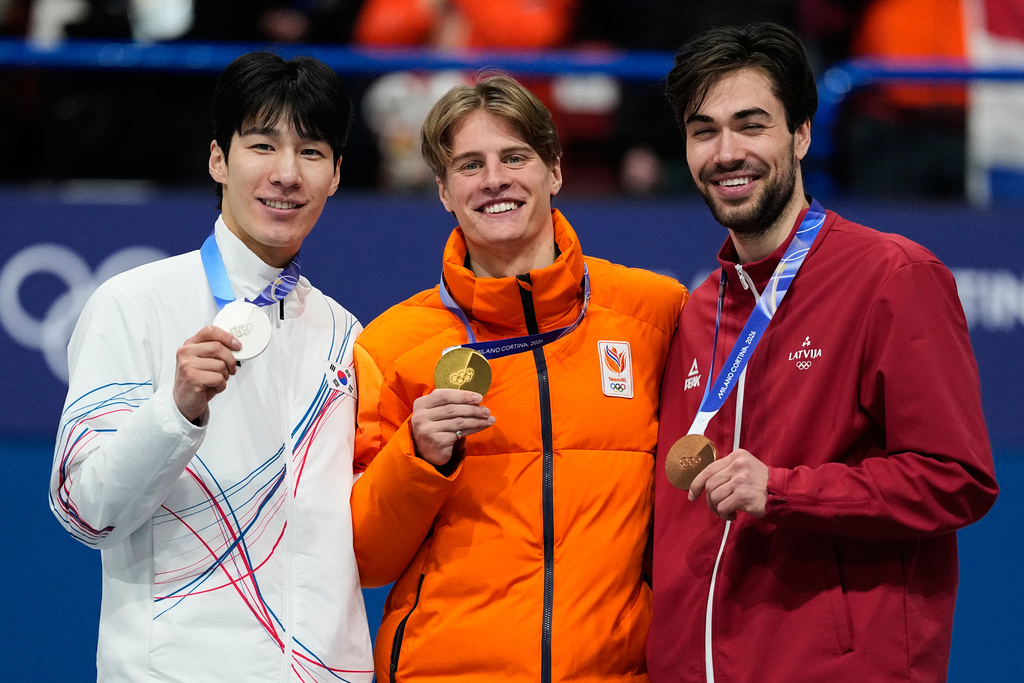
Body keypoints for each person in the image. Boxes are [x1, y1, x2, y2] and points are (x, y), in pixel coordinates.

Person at [649, 22, 998, 683]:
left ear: (802, 134)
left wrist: (782, 489)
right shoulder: (699, 311)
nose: (727, 152)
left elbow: (957, 477)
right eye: (704, 131)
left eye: (751, 125)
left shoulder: (892, 275)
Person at [49, 51, 373, 683]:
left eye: (311, 152)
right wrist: (175, 409)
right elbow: (87, 511)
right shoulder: (134, 303)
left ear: (336, 175)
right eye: (261, 145)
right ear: (218, 159)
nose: (286, 174)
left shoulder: (343, 334)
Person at [350, 73, 686, 681]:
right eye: (469, 165)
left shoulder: (653, 313)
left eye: (514, 157)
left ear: (554, 171)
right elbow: (367, 558)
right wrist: (417, 456)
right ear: (444, 191)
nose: (495, 180)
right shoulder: (392, 344)